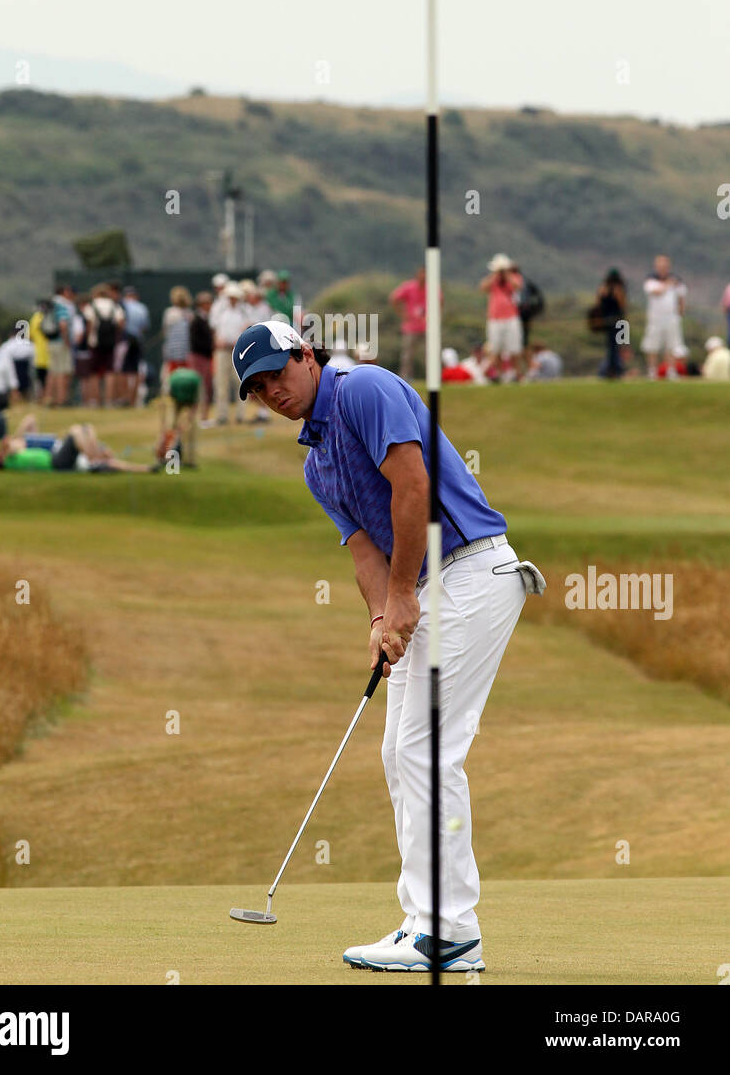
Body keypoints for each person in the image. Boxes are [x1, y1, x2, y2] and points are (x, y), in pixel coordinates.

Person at [232, 319, 544, 974]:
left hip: (471, 571)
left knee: (426, 750)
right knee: (398, 753)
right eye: (258, 389)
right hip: (429, 589)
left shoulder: (365, 390)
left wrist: (403, 595)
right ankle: (422, 922)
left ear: (307, 356)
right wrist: (382, 616)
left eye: (277, 374)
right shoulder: (318, 466)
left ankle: (452, 931)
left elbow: (413, 486)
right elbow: (363, 549)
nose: (272, 392)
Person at [0, 413, 158, 473]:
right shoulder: (10, 460)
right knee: (76, 431)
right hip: (56, 462)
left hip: (58, 458)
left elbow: (30, 419)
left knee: (87, 430)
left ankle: (145, 469)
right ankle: (92, 455)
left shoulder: (13, 454)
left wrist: (145, 470)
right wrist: (5, 446)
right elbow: (8, 447)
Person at [478, 254, 525, 379]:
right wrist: (495, 276)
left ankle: (517, 373)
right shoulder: (493, 280)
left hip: (511, 317)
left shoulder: (514, 277)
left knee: (514, 348)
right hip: (494, 319)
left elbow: (518, 286)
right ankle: (499, 374)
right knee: (496, 348)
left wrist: (507, 275)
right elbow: (483, 287)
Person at [641, 255, 686, 379]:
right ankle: (652, 371)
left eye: (665, 266)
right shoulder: (651, 280)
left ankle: (671, 371)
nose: (662, 268)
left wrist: (681, 311)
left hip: (672, 318)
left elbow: (681, 296)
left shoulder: (676, 280)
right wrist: (668, 283)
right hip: (655, 318)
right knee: (652, 346)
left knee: (672, 346)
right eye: (660, 266)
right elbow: (657, 292)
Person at [83, 284, 125, 407]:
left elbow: (89, 324)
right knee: (110, 371)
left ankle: (95, 400)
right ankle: (109, 400)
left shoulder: (92, 306)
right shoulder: (114, 306)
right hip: (110, 343)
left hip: (95, 343)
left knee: (94, 373)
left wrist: (88, 339)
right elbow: (121, 323)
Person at [213, 282, 247, 423]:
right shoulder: (220, 310)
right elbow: (215, 328)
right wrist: (217, 341)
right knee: (221, 384)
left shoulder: (243, 311)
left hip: (237, 351)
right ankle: (222, 415)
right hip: (222, 351)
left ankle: (240, 415)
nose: (232, 299)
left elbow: (247, 327)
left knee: (240, 382)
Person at [157, 367, 201, 468]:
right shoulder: (171, 383)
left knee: (191, 428)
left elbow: (195, 406)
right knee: (170, 426)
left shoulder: (194, 383)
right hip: (175, 399)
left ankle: (190, 460)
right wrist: (164, 429)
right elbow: (164, 405)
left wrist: (186, 423)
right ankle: (165, 455)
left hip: (190, 398)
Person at [389, 268, 427, 381]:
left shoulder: (432, 287)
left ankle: (432, 377)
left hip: (427, 327)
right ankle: (405, 378)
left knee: (430, 354)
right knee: (407, 356)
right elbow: (394, 298)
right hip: (411, 327)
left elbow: (440, 301)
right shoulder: (409, 287)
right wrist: (402, 314)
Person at [595, 269, 627, 379]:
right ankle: (613, 369)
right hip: (612, 321)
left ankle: (616, 369)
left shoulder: (612, 288)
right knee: (614, 346)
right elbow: (599, 304)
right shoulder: (608, 288)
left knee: (618, 345)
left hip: (615, 321)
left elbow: (622, 305)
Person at [188, 291, 215, 425]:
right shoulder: (197, 320)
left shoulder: (207, 318)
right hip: (199, 357)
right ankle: (196, 417)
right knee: (200, 387)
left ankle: (203, 416)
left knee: (206, 387)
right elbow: (197, 341)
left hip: (205, 357)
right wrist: (212, 345)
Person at [121, 286, 150, 406]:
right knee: (137, 370)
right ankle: (133, 399)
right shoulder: (142, 307)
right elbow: (145, 327)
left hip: (125, 340)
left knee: (123, 370)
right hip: (138, 340)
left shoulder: (122, 306)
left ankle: (125, 398)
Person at [47, 285, 76, 406]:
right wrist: (66, 340)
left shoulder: (49, 305)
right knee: (62, 372)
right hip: (60, 342)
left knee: (53, 372)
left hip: (50, 342)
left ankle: (49, 398)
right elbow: (63, 325)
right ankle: (61, 400)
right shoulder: (63, 305)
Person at [28, 300, 52, 400]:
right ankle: (49, 396)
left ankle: (40, 398)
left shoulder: (35, 318)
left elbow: (30, 336)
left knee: (39, 378)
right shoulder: (50, 316)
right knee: (49, 377)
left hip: (38, 352)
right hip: (49, 351)